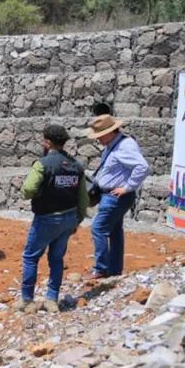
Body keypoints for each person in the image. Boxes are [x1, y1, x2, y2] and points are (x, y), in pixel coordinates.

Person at [16, 124, 90, 312]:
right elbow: (83, 197)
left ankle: (27, 300)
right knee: (56, 259)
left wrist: (28, 192)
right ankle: (51, 300)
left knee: (31, 257)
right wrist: (77, 220)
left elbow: (28, 190)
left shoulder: (42, 164)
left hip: (47, 219)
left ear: (47, 142)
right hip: (69, 218)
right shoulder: (76, 165)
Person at [87, 114, 149, 280]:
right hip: (110, 195)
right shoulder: (114, 144)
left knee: (98, 229)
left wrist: (127, 187)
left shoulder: (125, 146)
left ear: (110, 132)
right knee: (114, 231)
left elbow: (142, 167)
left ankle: (101, 268)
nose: (98, 139)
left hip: (115, 196)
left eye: (100, 135)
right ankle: (114, 269)